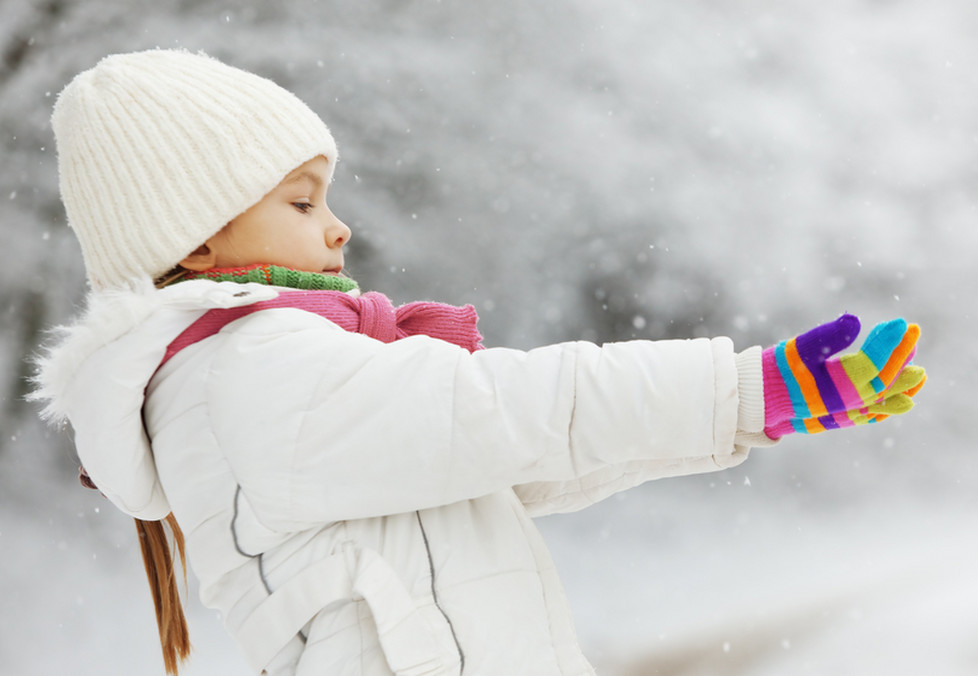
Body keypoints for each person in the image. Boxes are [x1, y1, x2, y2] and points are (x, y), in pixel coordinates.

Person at [30, 50, 926, 676]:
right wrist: (738, 383)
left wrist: (746, 414)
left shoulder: (253, 370)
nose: (338, 227)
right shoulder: (250, 368)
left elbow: (500, 461)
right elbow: (504, 411)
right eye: (301, 202)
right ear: (193, 243)